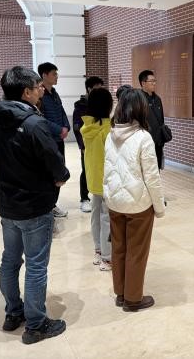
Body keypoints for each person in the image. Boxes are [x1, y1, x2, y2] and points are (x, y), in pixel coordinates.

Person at [0, 66, 70, 344]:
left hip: (8, 203)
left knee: (10, 260)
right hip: (34, 205)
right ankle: (36, 325)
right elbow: (54, 161)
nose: (41, 92)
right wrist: (61, 177)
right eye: (37, 88)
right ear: (26, 92)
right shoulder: (34, 123)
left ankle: (14, 312)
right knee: (36, 265)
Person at [103, 89, 165, 312]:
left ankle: (121, 294)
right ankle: (133, 299)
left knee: (119, 248)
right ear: (140, 109)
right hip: (138, 205)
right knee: (136, 252)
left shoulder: (110, 134)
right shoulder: (143, 137)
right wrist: (159, 207)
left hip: (114, 202)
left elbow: (107, 169)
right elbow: (152, 177)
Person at [80, 87, 113, 271]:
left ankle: (99, 251)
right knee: (106, 217)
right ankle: (107, 258)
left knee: (95, 215)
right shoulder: (108, 129)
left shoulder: (87, 127)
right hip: (107, 180)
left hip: (93, 179)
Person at [38, 62, 70, 218]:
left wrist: (66, 127)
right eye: (54, 74)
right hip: (48, 141)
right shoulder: (39, 95)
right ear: (44, 75)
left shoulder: (55, 94)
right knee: (49, 174)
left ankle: (53, 205)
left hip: (59, 140)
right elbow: (40, 118)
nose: (57, 76)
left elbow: (62, 112)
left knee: (59, 173)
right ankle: (47, 206)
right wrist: (59, 129)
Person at [73, 76, 104, 213]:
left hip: (99, 143)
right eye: (97, 88)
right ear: (89, 89)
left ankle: (99, 194)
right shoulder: (80, 106)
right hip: (87, 145)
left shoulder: (100, 103)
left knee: (100, 169)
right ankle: (84, 198)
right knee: (86, 170)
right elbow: (77, 128)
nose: (100, 91)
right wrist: (82, 146)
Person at [138, 70, 167, 169]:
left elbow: (161, 120)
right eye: (151, 81)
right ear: (143, 83)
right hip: (145, 142)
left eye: (155, 81)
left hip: (158, 142)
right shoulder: (139, 99)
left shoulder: (157, 99)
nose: (154, 83)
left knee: (156, 168)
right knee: (146, 169)